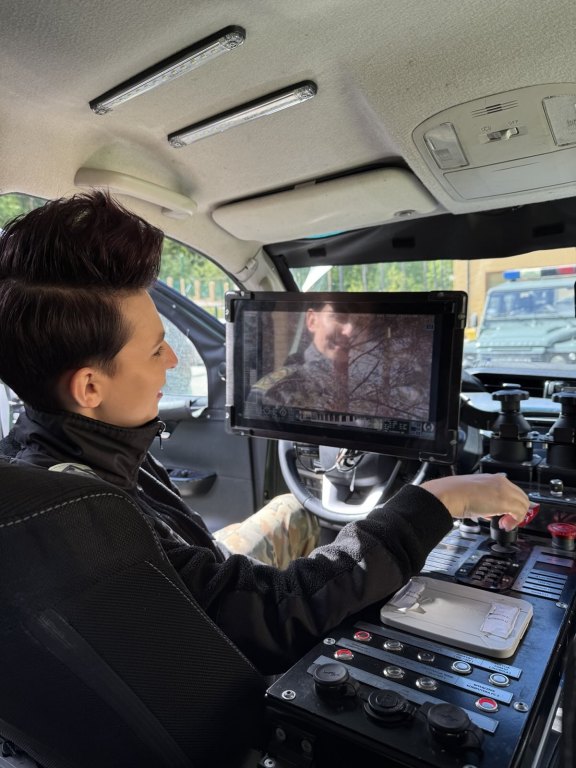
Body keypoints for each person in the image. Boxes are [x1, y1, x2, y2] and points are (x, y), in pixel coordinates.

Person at [0, 191, 530, 675]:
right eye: (156, 349)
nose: (170, 362)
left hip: (199, 576)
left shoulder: (48, 460)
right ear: (89, 387)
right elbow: (275, 615)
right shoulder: (92, 518)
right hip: (219, 658)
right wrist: (439, 500)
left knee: (293, 509)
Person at [250, 303, 430, 418]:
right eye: (340, 317)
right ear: (312, 320)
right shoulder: (279, 391)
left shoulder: (387, 385)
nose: (350, 331)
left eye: (361, 324)